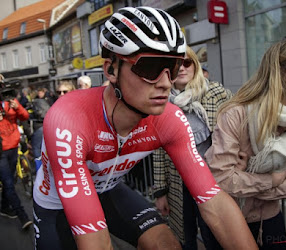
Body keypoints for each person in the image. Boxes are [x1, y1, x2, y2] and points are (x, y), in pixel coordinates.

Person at [32, 6, 257, 250]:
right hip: (56, 204)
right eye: (150, 68)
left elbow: (214, 202)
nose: (165, 83)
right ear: (111, 70)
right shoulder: (68, 120)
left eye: (172, 68)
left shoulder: (169, 118)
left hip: (109, 190)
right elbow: (96, 243)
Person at [205, 37, 286, 250]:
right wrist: (272, 180)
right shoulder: (236, 114)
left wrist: (245, 178)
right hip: (227, 219)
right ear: (281, 71)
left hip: (270, 220)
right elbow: (221, 179)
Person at [153, 46, 232, 249]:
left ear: (195, 65)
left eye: (186, 62)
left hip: (212, 180)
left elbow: (236, 130)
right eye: (175, 63)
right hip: (179, 183)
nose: (181, 68)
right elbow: (159, 150)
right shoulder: (161, 102)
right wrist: (160, 192)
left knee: (214, 235)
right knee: (185, 238)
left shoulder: (216, 92)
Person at [0, 85, 32, 229]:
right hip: (1, 150)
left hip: (13, 147)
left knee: (10, 180)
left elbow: (25, 116)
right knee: (8, 183)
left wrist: (17, 107)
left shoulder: (10, 102)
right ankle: (22, 216)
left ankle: (4, 207)